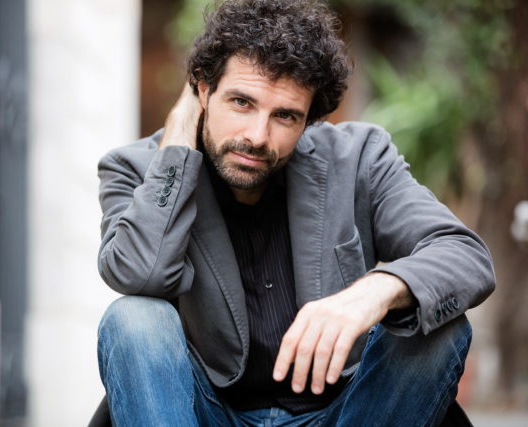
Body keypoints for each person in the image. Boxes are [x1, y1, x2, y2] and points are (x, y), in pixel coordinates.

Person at [94, 0, 495, 425]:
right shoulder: (138, 168)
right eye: (241, 102)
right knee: (134, 318)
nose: (257, 136)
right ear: (204, 91)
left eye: (285, 116)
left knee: (436, 328)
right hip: (210, 413)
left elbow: (465, 256)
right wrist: (178, 141)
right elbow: (139, 274)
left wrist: (373, 293)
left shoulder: (359, 157)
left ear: (309, 121)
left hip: (345, 413)